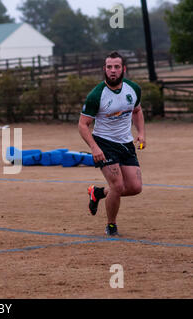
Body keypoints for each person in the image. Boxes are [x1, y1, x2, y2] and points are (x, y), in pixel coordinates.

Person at [78, 51, 146, 236]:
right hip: (104, 143)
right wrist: (94, 148)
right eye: (109, 67)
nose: (113, 71)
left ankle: (98, 193)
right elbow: (83, 125)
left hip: (126, 144)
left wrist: (141, 133)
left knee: (134, 187)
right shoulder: (96, 95)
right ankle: (111, 225)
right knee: (117, 185)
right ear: (104, 70)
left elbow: (137, 111)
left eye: (116, 67)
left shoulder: (133, 89)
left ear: (123, 69)